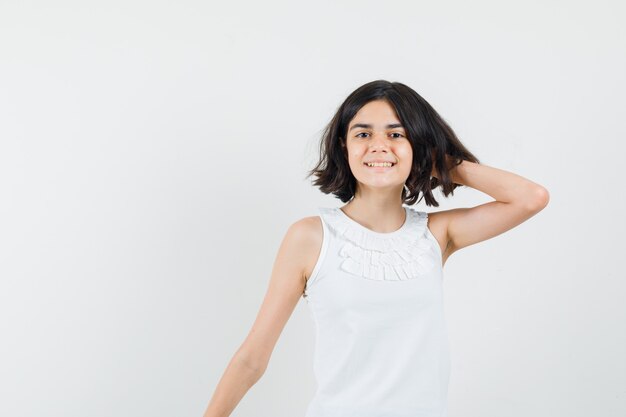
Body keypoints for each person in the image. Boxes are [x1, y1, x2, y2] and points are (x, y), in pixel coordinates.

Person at [202, 80, 550, 417]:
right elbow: (253, 357)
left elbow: (531, 198)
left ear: (419, 146)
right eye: (364, 134)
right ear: (344, 146)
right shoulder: (310, 237)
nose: (379, 145)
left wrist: (441, 165)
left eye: (396, 134)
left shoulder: (437, 233)